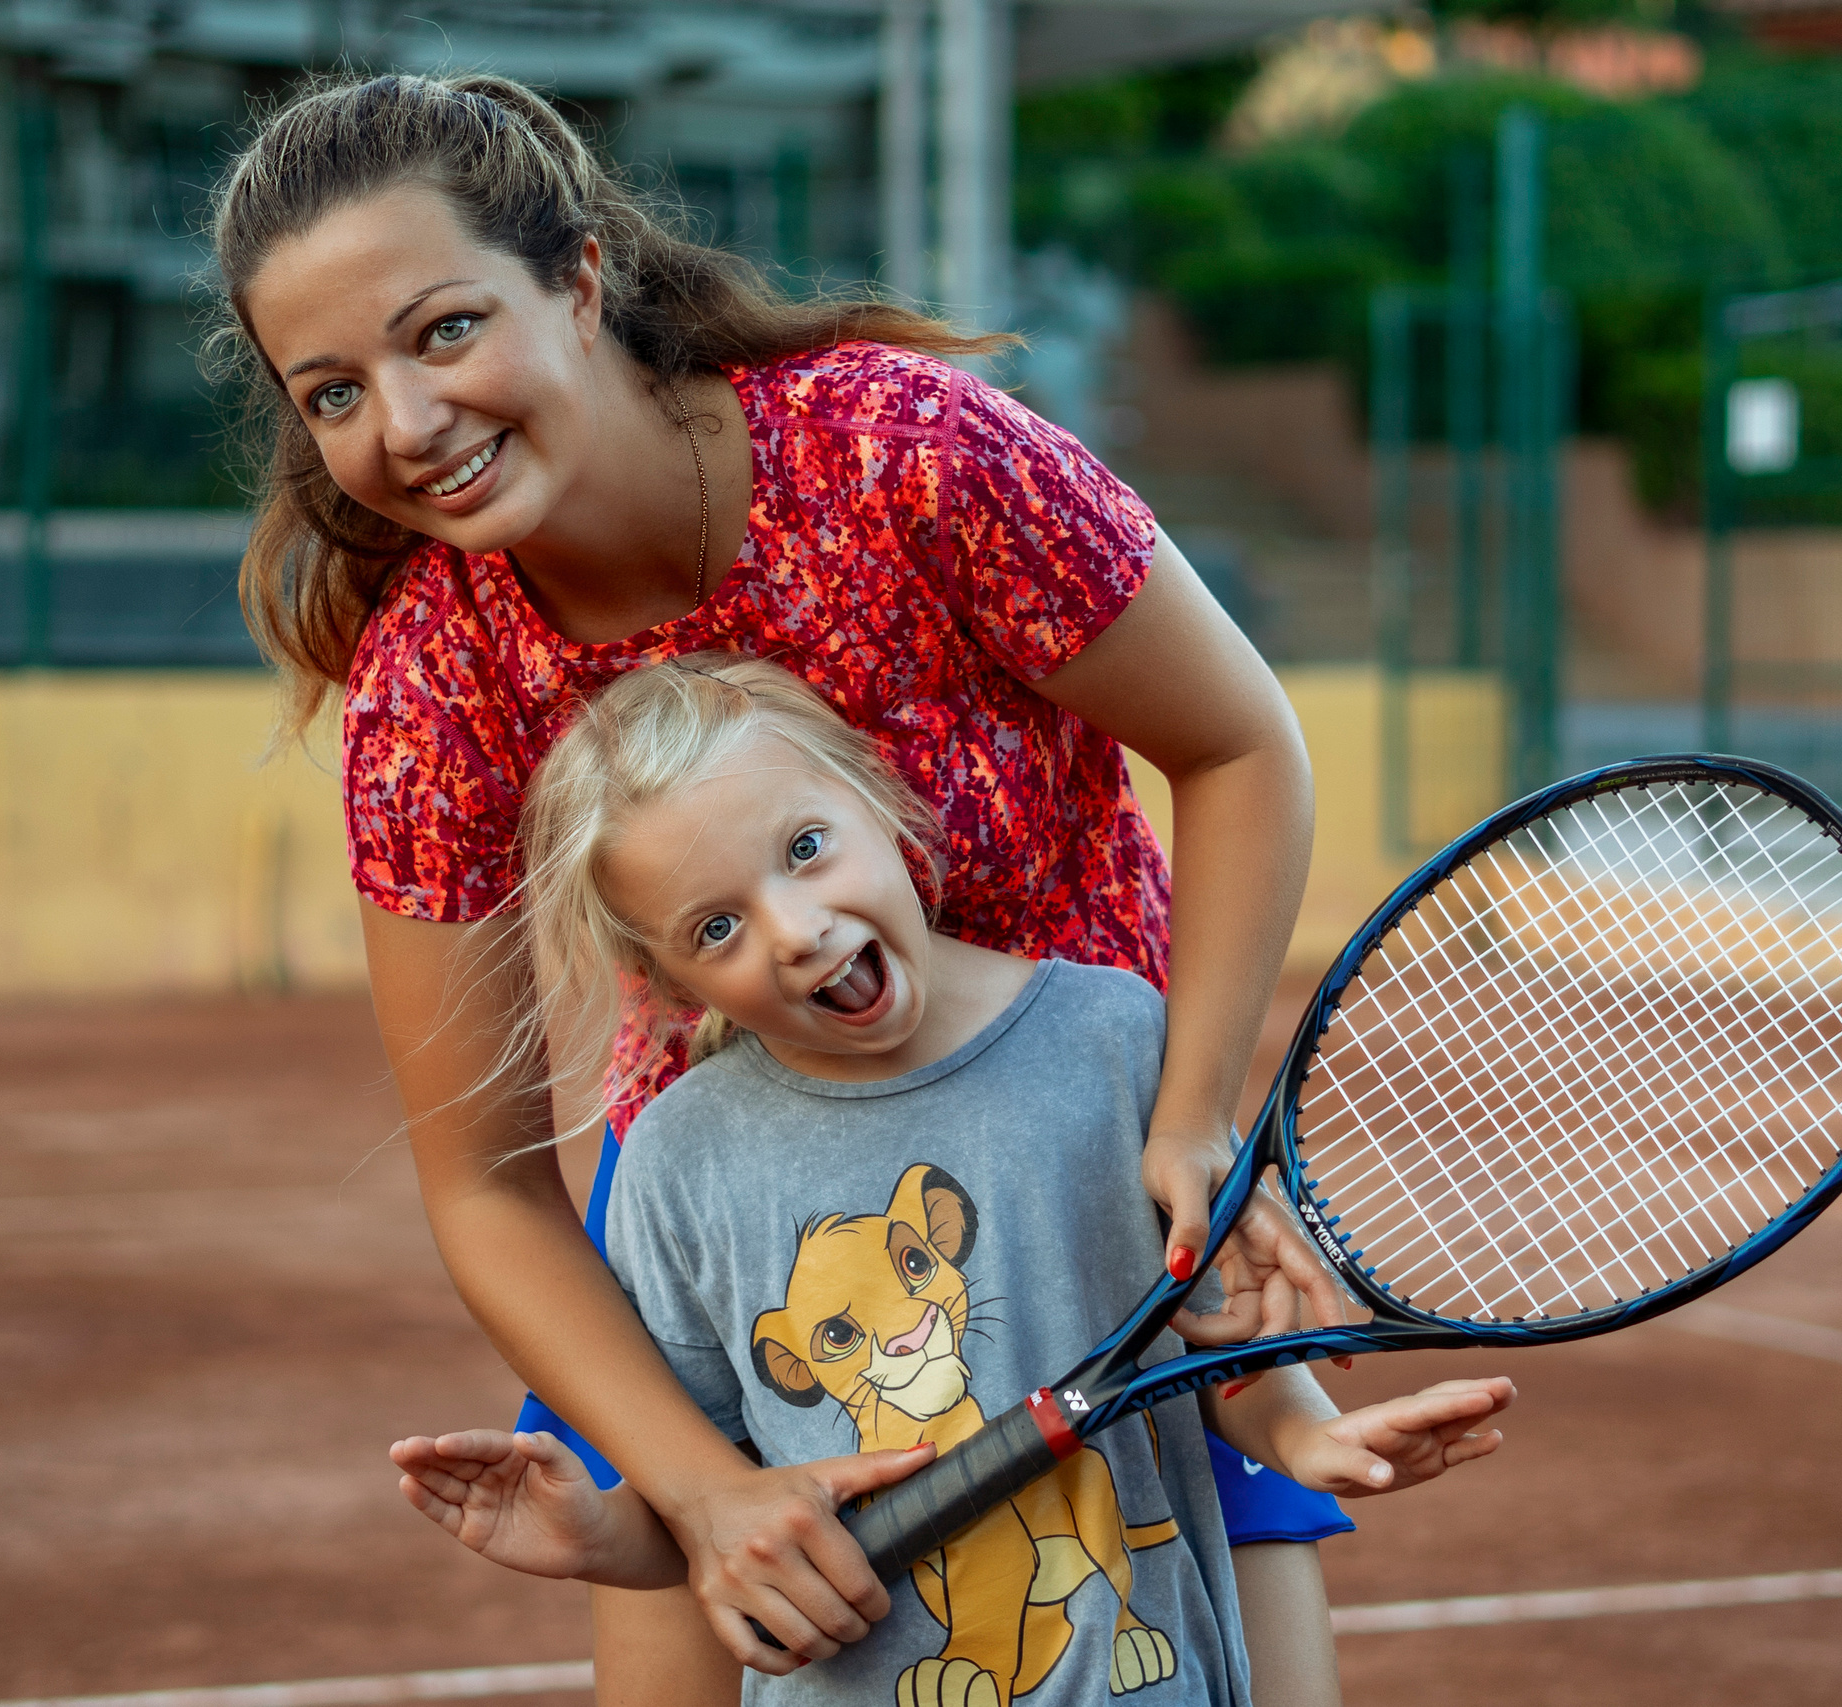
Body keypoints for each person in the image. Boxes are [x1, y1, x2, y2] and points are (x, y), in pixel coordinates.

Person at [210, 68, 1394, 1702]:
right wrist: (702, 1492)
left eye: (441, 331)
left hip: (1091, 1163)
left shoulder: (908, 455)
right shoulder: (433, 682)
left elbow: (1242, 745)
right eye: (330, 391)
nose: (402, 423)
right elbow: (485, 1184)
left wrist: (1191, 1120)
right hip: (750, 1227)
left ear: (577, 277)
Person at [390, 656, 1512, 1706]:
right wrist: (601, 1536)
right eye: (716, 925)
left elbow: (1204, 1344)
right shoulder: (676, 1163)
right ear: (665, 977)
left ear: (877, 800)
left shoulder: (1116, 1040)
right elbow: (714, 1505)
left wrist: (1314, 1443)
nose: (793, 928)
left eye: (805, 848)